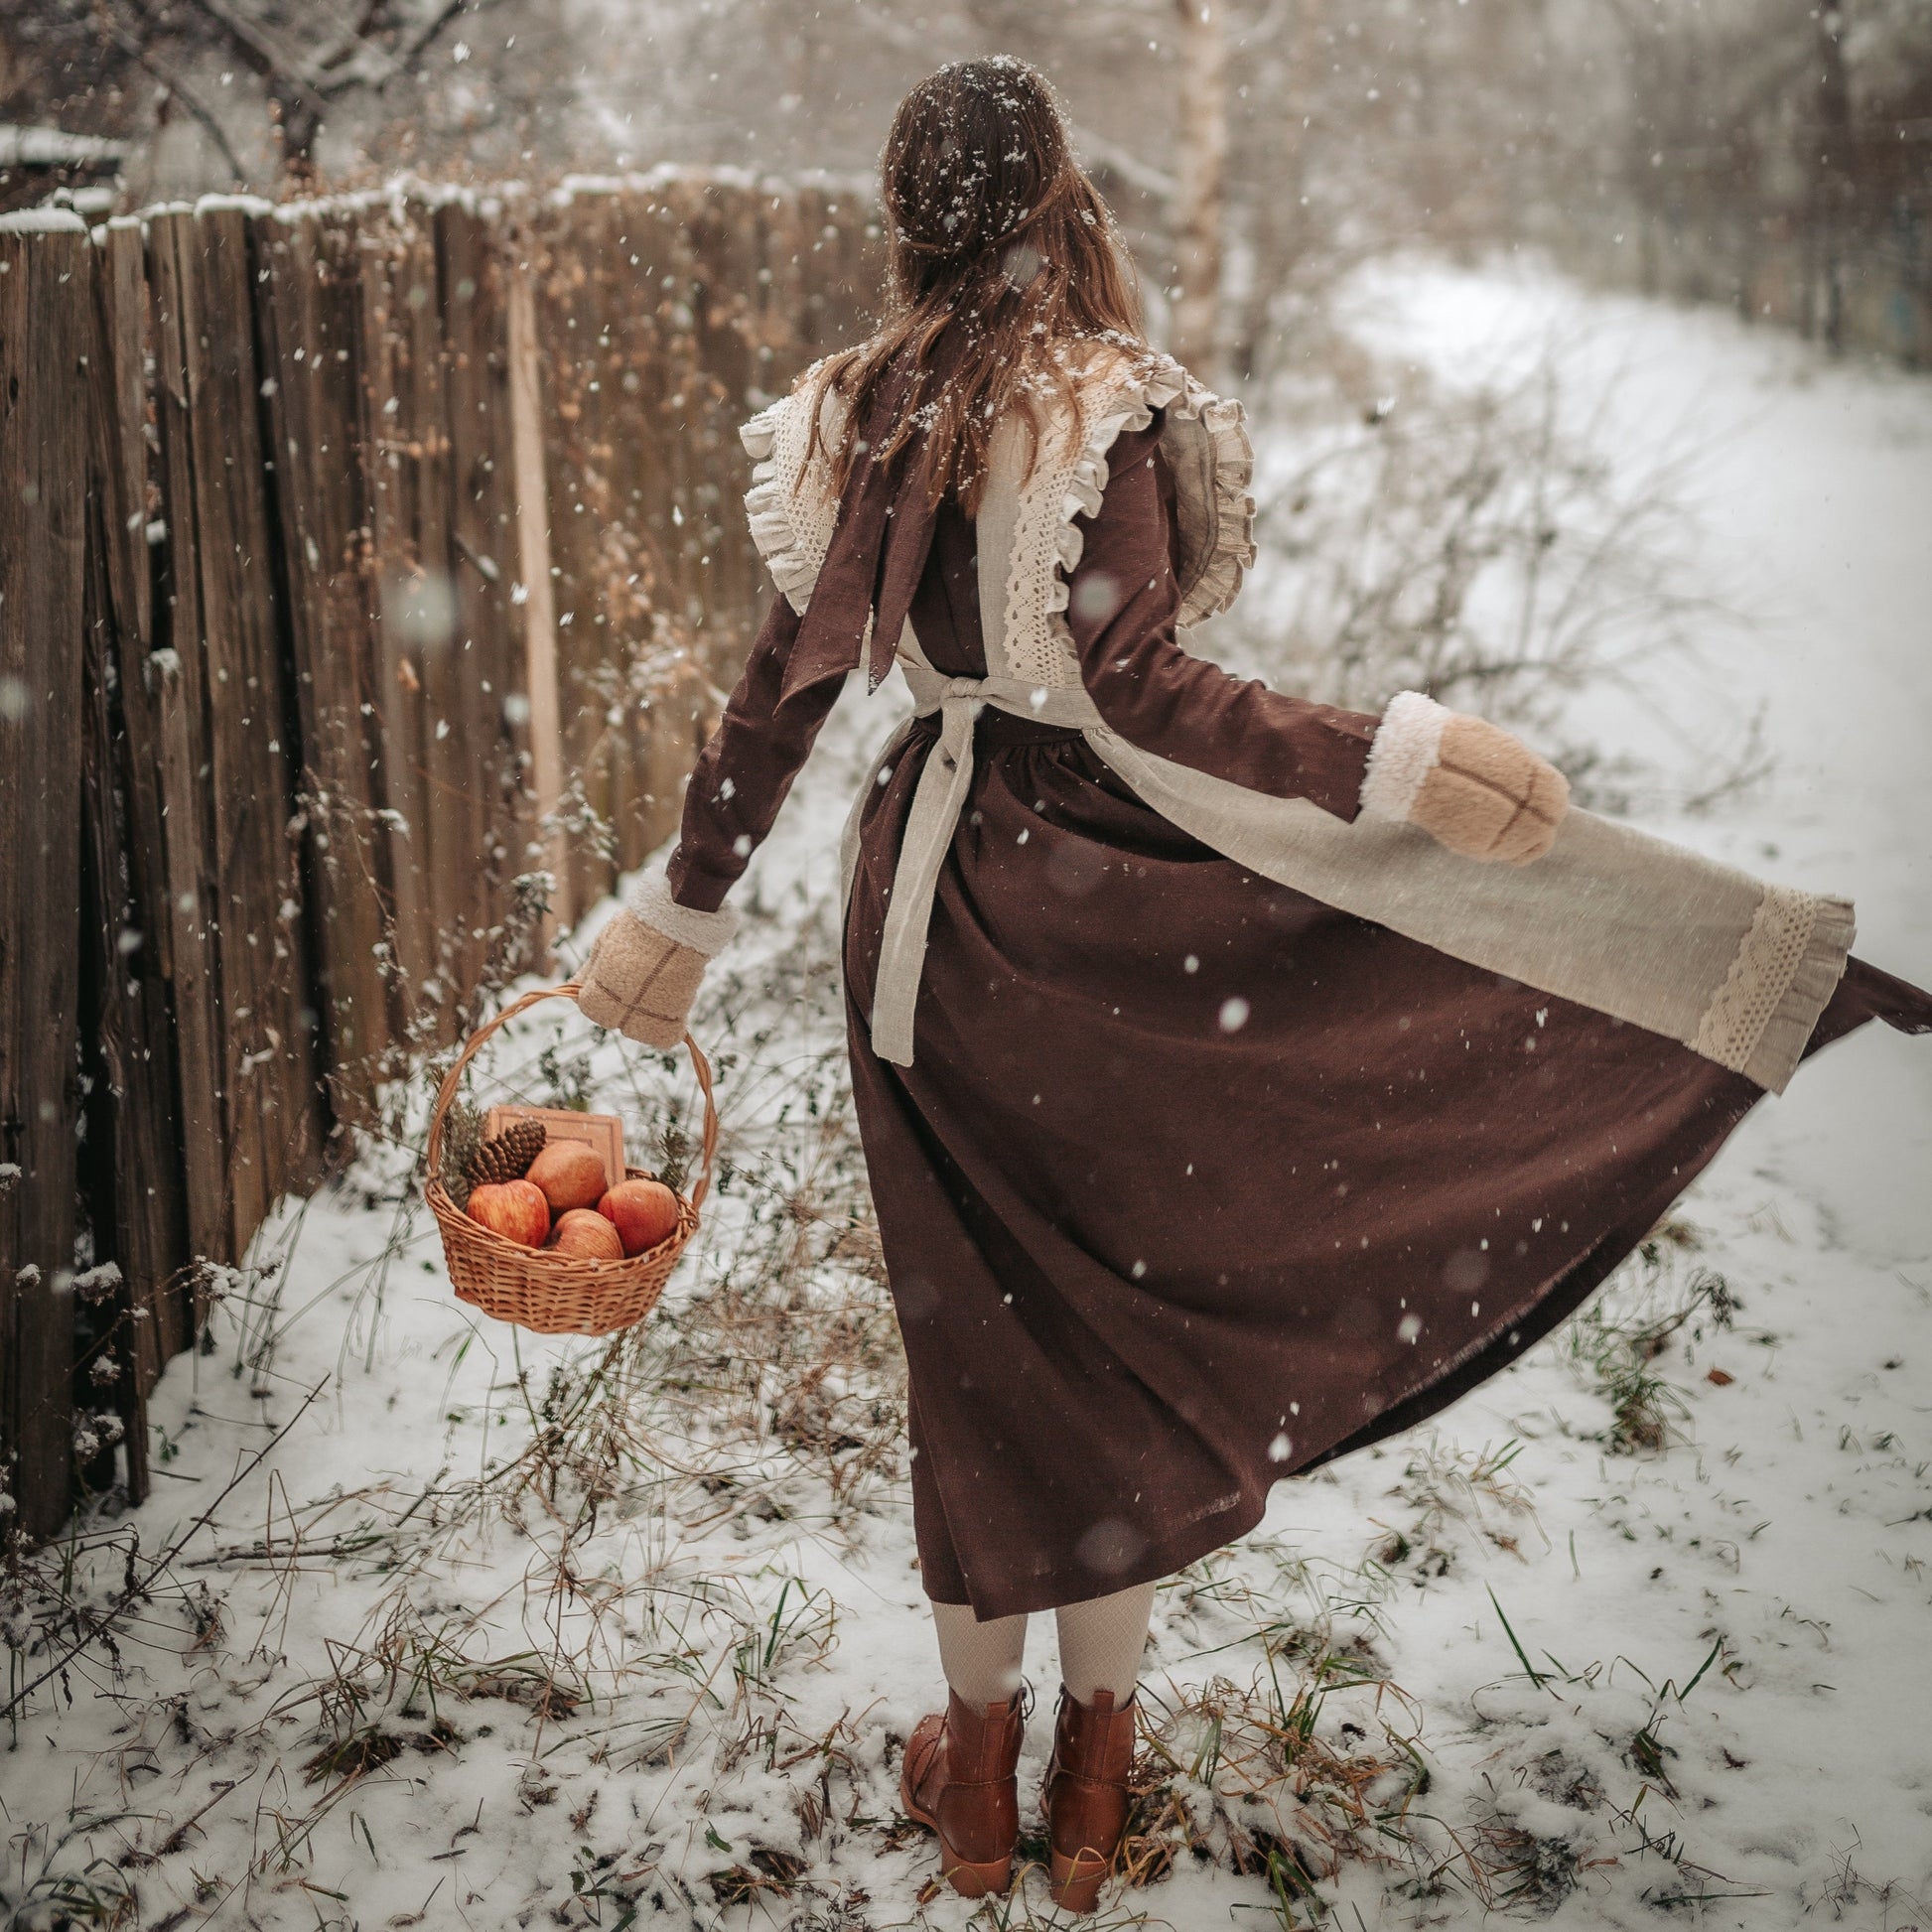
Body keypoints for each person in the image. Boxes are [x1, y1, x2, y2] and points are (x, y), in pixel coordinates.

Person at [575, 58, 1932, 1912]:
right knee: (1104, 1346)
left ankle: (976, 1788)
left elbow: (779, 703)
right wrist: (1387, 759)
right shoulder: (1096, 411)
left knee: (972, 1353)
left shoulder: (852, 418)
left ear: (902, 214)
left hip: (923, 914)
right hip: (1096, 908)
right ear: (1060, 200)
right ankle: (1087, 1785)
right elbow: (1152, 695)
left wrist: (683, 907)